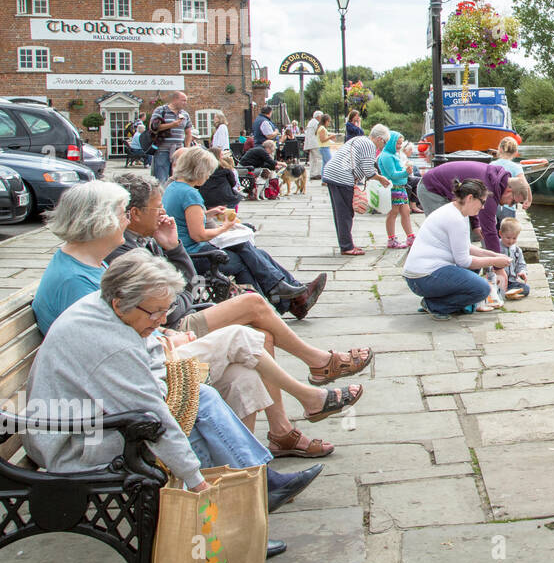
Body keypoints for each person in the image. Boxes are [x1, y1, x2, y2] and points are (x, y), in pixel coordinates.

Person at [25, 249, 323, 524]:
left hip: (86, 423)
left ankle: (251, 492)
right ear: (120, 302)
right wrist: (195, 479)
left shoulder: (111, 310)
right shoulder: (110, 342)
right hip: (73, 445)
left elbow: (151, 352)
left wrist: (170, 380)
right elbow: (152, 416)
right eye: (154, 312)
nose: (161, 320)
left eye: (164, 311)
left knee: (199, 397)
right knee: (190, 421)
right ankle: (217, 517)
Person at [110, 172, 370, 409]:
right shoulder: (128, 252)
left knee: (263, 333)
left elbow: (184, 287)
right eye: (157, 208)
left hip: (177, 311)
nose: (163, 212)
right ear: (133, 213)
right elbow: (171, 305)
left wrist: (173, 246)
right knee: (251, 299)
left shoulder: (147, 239)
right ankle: (317, 358)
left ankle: (282, 431)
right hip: (170, 327)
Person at [163, 147, 314, 313]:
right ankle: (273, 301)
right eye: (208, 173)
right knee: (246, 260)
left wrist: (207, 214)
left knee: (253, 253)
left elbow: (184, 218)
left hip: (183, 251)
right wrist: (224, 228)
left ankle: (285, 295)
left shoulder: (173, 188)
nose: (208, 177)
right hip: (196, 255)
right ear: (199, 171)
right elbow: (198, 235)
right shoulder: (190, 194)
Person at [403, 179, 511, 318]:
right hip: (423, 278)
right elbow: (464, 261)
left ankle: (444, 302)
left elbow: (466, 248)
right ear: (470, 198)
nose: (483, 207)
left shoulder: (457, 212)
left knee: (475, 270)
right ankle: (436, 305)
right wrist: (494, 261)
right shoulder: (456, 219)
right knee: (482, 289)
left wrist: (495, 256)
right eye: (482, 202)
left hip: (420, 276)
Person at [33, 181, 130, 334]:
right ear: (102, 220)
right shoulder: (74, 281)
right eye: (124, 214)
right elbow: (100, 339)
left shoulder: (87, 260)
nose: (128, 221)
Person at [416, 159, 531, 255]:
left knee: (466, 235)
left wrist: (476, 225)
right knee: (445, 233)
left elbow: (471, 202)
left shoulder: (496, 181)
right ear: (509, 190)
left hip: (448, 189)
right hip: (432, 189)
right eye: (513, 202)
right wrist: (498, 267)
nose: (509, 205)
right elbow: (489, 232)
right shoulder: (491, 191)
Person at [322, 124, 391, 255]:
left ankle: (346, 244)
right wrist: (380, 179)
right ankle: (347, 246)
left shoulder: (359, 139)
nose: (383, 146)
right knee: (345, 213)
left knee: (341, 212)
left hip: (333, 173)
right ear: (380, 139)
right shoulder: (370, 145)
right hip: (341, 177)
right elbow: (368, 170)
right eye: (385, 142)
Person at [377, 131, 415, 250]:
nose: (399, 146)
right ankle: (391, 239)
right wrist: (405, 172)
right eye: (397, 143)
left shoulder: (393, 155)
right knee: (393, 213)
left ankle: (410, 236)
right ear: (391, 142)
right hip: (393, 187)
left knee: (406, 211)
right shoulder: (387, 156)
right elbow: (392, 174)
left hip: (400, 187)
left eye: (400, 144)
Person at [147, 90, 193, 183]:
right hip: (162, 150)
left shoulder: (185, 114)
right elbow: (152, 127)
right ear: (175, 99)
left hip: (178, 151)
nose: (185, 103)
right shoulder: (161, 110)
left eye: (186, 101)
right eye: (183, 100)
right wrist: (172, 125)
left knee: (178, 179)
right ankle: (162, 197)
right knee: (161, 179)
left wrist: (187, 149)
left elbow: (188, 133)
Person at [498, 216, 529, 299]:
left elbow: (521, 264)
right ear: (500, 234)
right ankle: (504, 293)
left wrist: (522, 272)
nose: (511, 241)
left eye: (514, 238)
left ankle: (507, 293)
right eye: (508, 238)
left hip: (512, 281)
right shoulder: (496, 247)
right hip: (498, 280)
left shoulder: (517, 250)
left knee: (526, 288)